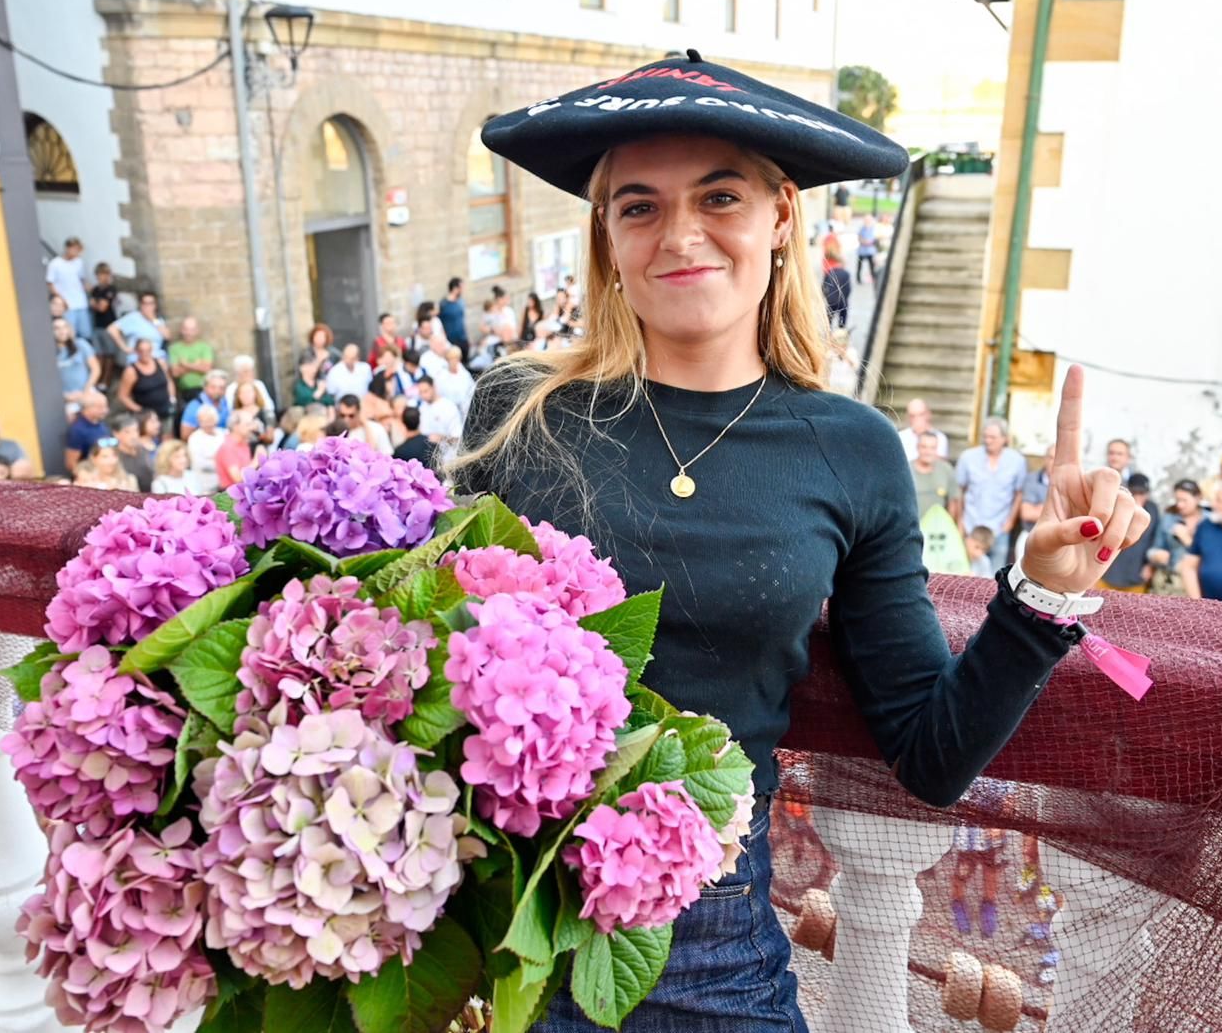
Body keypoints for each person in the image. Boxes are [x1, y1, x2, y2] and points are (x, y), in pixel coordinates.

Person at [464, 53, 1147, 1030]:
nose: (680, 235)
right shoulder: (517, 412)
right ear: (606, 234)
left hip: (719, 956)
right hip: (513, 953)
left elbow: (931, 752)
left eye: (720, 197)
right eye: (639, 206)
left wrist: (1043, 590)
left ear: (781, 216)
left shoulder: (852, 449)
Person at [957, 417, 1027, 567]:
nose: (988, 441)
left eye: (993, 437)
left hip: (999, 528)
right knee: (968, 573)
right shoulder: (968, 457)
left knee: (996, 574)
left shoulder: (1017, 461)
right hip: (972, 525)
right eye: (985, 436)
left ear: (1004, 439)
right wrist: (960, 521)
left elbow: (1019, 493)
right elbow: (960, 490)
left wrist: (1010, 522)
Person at [1098, 473, 1159, 593]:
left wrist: (1150, 565)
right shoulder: (1116, 504)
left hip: (1137, 573)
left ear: (1147, 494)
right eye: (1135, 493)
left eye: (1142, 493)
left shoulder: (1153, 509)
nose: (1138, 497)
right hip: (1109, 571)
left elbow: (1155, 538)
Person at [1146, 479, 1206, 593]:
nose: (1180, 505)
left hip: (1196, 585)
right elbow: (1154, 548)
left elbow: (1212, 558)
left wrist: (1187, 540)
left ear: (1198, 498)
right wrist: (1156, 555)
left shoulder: (1208, 522)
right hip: (1168, 583)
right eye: (1177, 500)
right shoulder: (1168, 518)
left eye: (1184, 500)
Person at [118, 338, 176, 426]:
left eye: (148, 350)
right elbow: (123, 396)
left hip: (165, 410)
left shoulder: (160, 362)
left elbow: (169, 381)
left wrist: (172, 398)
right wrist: (140, 410)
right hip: (146, 417)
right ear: (136, 351)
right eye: (141, 351)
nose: (145, 354)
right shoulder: (131, 371)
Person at [45, 237, 91, 344]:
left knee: (86, 334)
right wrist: (61, 300)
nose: (76, 252)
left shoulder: (79, 262)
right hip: (67, 306)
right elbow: (50, 283)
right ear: (67, 248)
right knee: (70, 334)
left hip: (81, 303)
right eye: (74, 249)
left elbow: (81, 279)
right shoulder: (55, 264)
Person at [910, 430, 959, 523]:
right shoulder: (907, 470)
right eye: (924, 447)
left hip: (938, 528)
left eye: (932, 448)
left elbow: (953, 502)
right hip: (912, 527)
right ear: (917, 447)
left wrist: (949, 525)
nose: (928, 452)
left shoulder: (946, 469)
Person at [54, 315, 99, 415]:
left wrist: (86, 391)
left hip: (87, 391)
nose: (61, 331)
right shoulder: (49, 352)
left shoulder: (81, 344)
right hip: (66, 397)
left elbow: (95, 369)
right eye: (56, 328)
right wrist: (65, 396)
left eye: (64, 327)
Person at [109, 290, 169, 365]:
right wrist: (125, 348)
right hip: (138, 358)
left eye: (151, 303)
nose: (148, 306)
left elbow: (167, 336)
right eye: (145, 303)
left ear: (155, 305)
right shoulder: (134, 317)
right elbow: (112, 329)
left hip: (156, 357)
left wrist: (153, 320)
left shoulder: (158, 320)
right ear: (141, 305)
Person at [414, 375, 463, 460]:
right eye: (420, 392)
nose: (423, 395)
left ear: (434, 387)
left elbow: (458, 438)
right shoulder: (422, 408)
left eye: (425, 391)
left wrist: (441, 438)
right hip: (426, 458)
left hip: (448, 458)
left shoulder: (449, 407)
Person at [168, 316, 215, 402]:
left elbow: (207, 369)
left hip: (203, 390)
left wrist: (185, 364)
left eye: (192, 330)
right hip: (184, 392)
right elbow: (175, 373)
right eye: (186, 329)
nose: (188, 333)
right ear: (181, 330)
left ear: (197, 331)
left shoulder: (204, 347)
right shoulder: (174, 349)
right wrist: (197, 365)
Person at [64, 391, 112, 474]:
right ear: (87, 408)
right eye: (100, 407)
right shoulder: (78, 430)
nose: (105, 410)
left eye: (105, 406)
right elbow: (71, 463)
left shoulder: (101, 422)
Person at [88, 262, 118, 384]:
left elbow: (102, 307)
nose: (103, 277)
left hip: (109, 325)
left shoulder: (111, 289)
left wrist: (94, 303)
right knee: (99, 354)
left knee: (109, 354)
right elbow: (96, 305)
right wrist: (97, 303)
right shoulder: (95, 290)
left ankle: (106, 381)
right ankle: (98, 380)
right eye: (100, 274)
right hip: (97, 325)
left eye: (106, 274)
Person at [179, 369, 231, 440]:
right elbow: (185, 435)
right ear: (205, 387)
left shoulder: (226, 402)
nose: (217, 391)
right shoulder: (194, 406)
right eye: (213, 387)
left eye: (222, 388)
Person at [110, 413, 156, 492]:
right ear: (116, 434)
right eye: (127, 432)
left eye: (136, 430)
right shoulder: (113, 457)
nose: (133, 436)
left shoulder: (144, 449)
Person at [186, 404, 225, 494]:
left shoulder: (223, 433)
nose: (208, 424)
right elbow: (200, 464)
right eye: (203, 421)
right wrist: (221, 463)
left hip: (224, 483)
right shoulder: (194, 438)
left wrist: (215, 459)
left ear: (216, 419)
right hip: (205, 486)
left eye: (210, 420)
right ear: (199, 422)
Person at [229, 354, 277, 428]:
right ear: (238, 373)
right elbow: (230, 410)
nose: (249, 373)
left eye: (251, 370)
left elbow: (269, 406)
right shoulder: (232, 388)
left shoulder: (259, 384)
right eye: (246, 371)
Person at [214, 413, 257, 490]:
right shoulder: (227, 447)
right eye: (248, 424)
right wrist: (256, 460)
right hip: (229, 494)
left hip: (245, 491)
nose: (252, 428)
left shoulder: (245, 443)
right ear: (235, 427)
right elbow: (238, 478)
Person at [433, 345, 477, 420]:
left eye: (456, 359)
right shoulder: (441, 376)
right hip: (448, 412)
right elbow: (439, 394)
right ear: (447, 360)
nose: (454, 361)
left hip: (465, 411)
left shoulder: (464, 374)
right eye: (452, 359)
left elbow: (472, 389)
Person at [820, 234, 852, 329]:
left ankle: (828, 331)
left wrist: (827, 297)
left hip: (831, 301)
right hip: (843, 302)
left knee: (829, 319)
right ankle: (841, 331)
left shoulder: (828, 271)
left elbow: (824, 287)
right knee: (843, 317)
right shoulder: (846, 273)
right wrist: (845, 298)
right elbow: (848, 289)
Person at [438, 276, 468, 358]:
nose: (463, 290)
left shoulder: (461, 301)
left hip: (463, 339)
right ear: (455, 288)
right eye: (461, 287)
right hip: (451, 341)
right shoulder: (443, 304)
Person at [854, 213, 878, 284]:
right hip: (862, 251)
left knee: (872, 266)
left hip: (870, 251)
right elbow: (859, 238)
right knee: (860, 266)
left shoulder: (873, 228)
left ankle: (874, 278)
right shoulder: (862, 229)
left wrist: (869, 242)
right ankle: (858, 279)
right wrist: (864, 241)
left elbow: (874, 238)